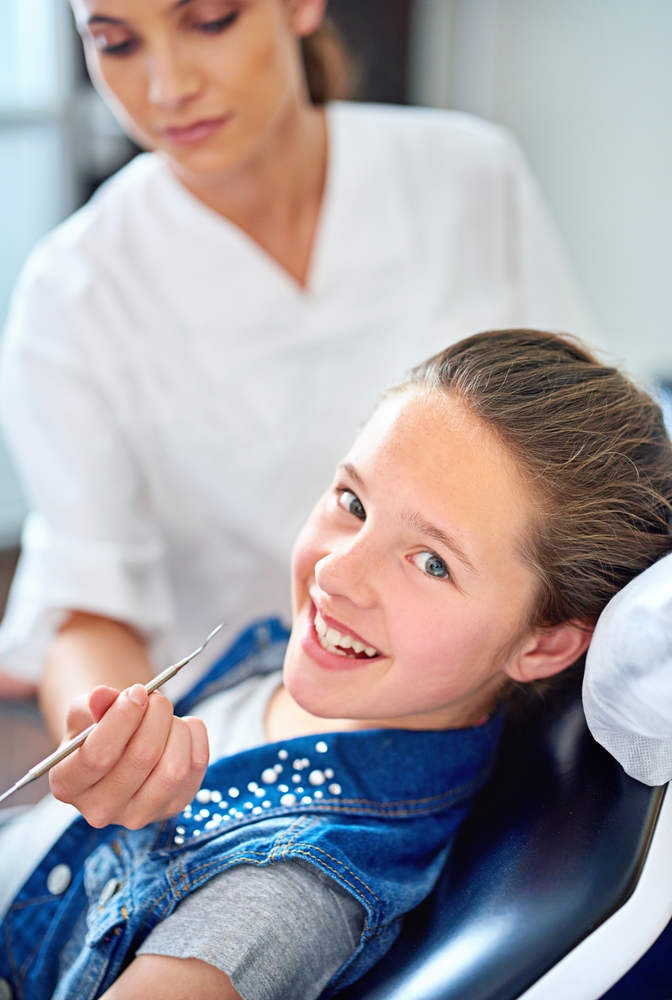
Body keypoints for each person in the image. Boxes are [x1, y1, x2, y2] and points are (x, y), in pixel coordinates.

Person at [0, 330, 670, 1000]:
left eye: (431, 562)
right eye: (354, 503)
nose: (335, 571)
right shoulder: (313, 666)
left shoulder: (282, 896)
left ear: (544, 645)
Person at [0, 0, 598, 736]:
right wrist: (123, 750)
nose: (165, 88)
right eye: (116, 44)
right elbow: (90, 603)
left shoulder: (469, 176)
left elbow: (586, 454)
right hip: (249, 731)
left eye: (210, 22)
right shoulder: (74, 291)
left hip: (504, 715)